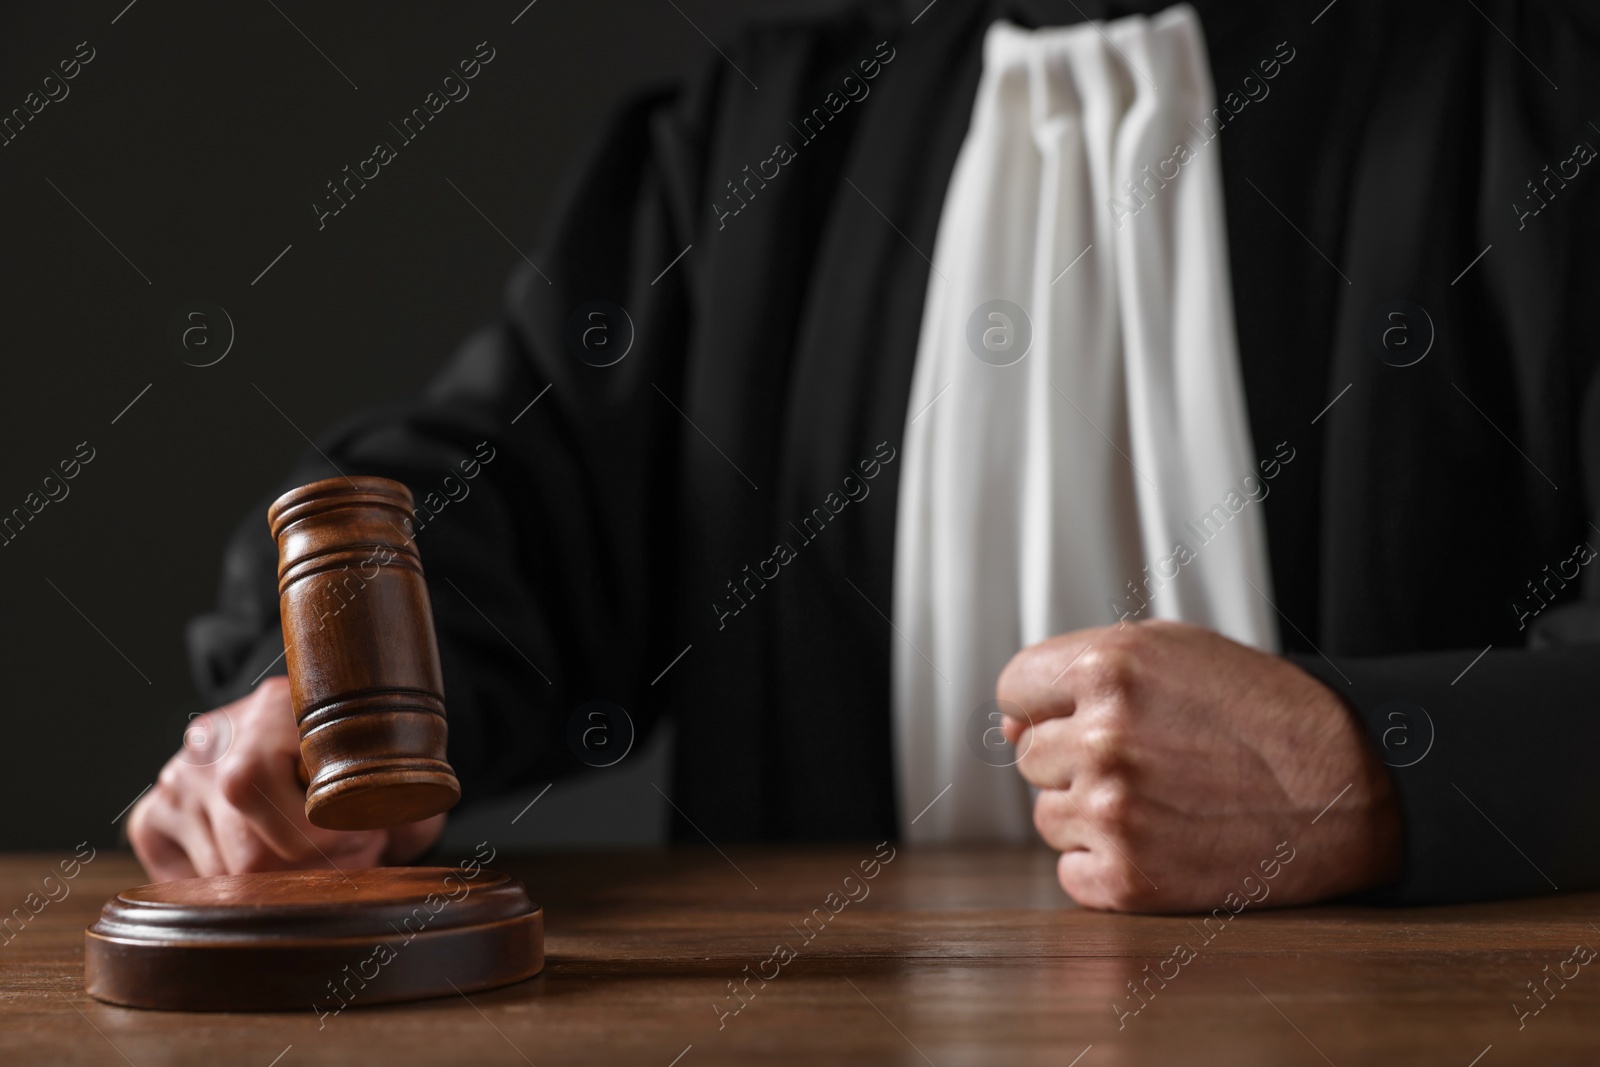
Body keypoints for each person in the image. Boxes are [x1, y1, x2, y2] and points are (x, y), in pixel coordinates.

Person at [129, 0, 1600, 911]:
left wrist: (1373, 774)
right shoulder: (755, 142)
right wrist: (316, 705)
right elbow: (511, 503)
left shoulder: (1551, 91)